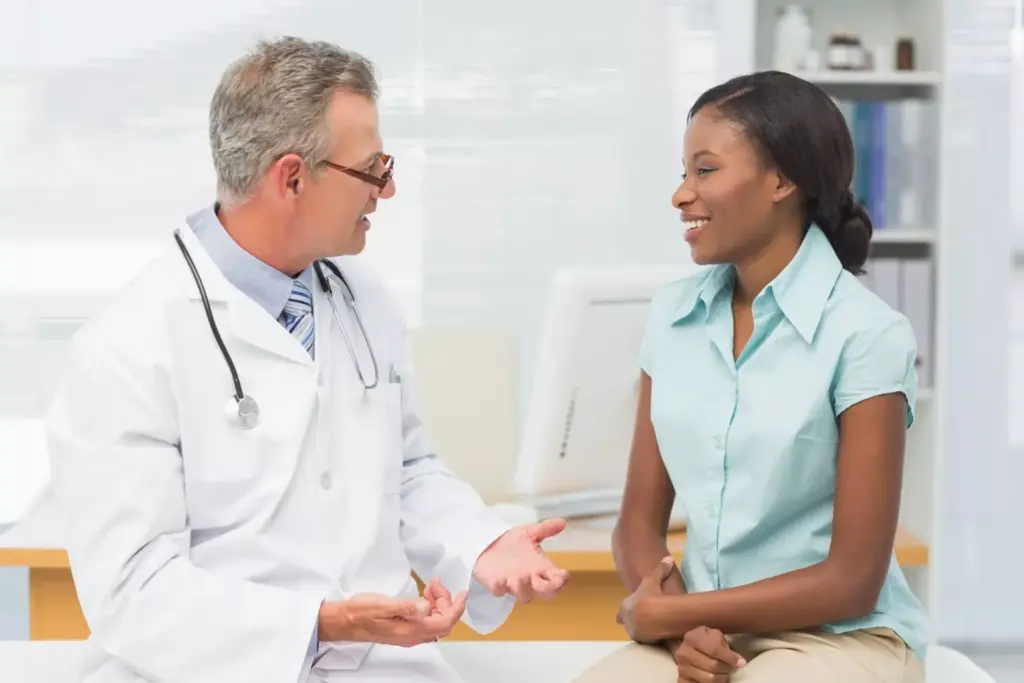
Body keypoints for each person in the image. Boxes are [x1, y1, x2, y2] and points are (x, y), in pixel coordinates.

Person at [44, 36, 569, 683]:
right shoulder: (126, 346)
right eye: (373, 168)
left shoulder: (365, 299)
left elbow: (404, 472)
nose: (389, 188)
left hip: (382, 667)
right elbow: (134, 593)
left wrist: (484, 544)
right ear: (292, 176)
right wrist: (319, 623)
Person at [572, 70, 928, 682]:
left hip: (840, 638)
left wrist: (679, 612)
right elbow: (638, 523)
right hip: (702, 632)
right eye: (684, 172)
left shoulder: (868, 335)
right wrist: (684, 625)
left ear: (783, 180)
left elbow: (853, 579)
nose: (681, 195)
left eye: (705, 170)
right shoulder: (672, 316)